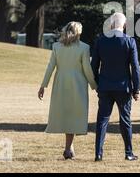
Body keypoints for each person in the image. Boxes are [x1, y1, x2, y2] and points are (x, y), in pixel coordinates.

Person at [38, 21, 97, 160]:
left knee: (66, 114)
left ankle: (69, 147)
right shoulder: (84, 47)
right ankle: (68, 147)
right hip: (78, 84)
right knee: (75, 114)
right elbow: (87, 69)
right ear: (79, 32)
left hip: (61, 83)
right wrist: (95, 85)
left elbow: (50, 67)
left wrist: (43, 85)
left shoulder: (57, 46)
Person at [91, 12, 140, 162]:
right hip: (123, 86)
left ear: (111, 24)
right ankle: (128, 152)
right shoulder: (129, 41)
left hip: (105, 86)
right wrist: (136, 88)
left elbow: (94, 66)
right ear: (124, 25)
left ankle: (98, 154)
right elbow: (135, 67)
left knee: (102, 120)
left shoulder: (100, 41)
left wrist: (97, 83)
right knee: (125, 120)